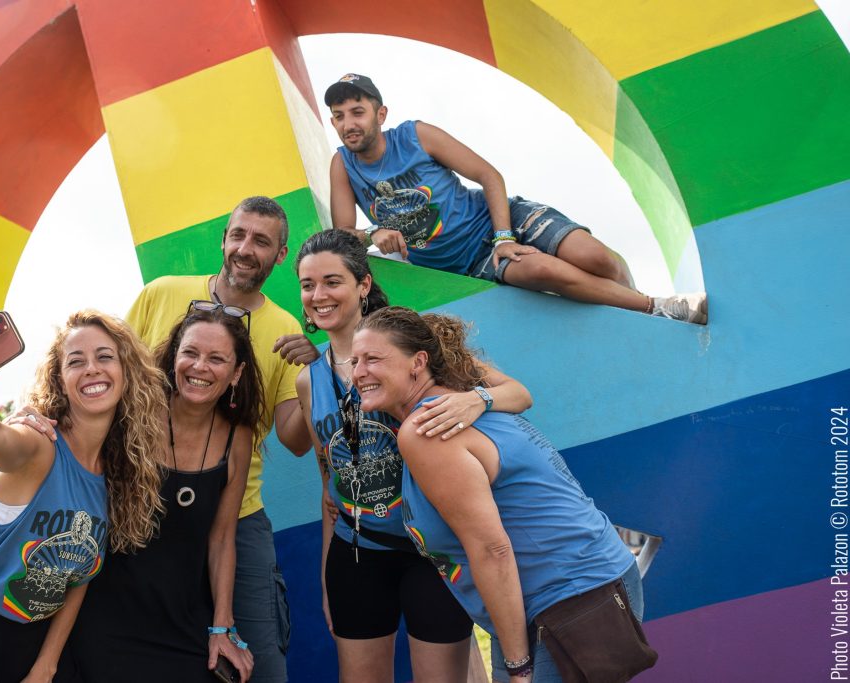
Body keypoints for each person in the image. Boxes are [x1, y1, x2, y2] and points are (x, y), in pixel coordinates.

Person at [350, 307, 648, 683]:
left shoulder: (427, 429)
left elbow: (492, 550)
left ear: (418, 362)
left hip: (568, 600)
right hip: (596, 580)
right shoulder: (461, 402)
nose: (358, 372)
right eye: (355, 361)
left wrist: (518, 667)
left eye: (373, 359)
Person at [294, 229, 533, 682]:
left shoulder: (411, 341)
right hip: (358, 553)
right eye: (308, 285)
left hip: (432, 552)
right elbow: (329, 484)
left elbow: (518, 394)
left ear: (363, 284)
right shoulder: (310, 381)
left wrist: (474, 400)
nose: (319, 296)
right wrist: (331, 574)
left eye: (332, 281)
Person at [0, 311, 168, 683]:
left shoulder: (115, 476)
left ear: (127, 372)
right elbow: (0, 442)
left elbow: (76, 577)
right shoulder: (40, 444)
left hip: (27, 648)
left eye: (105, 356)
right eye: (76, 361)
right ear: (60, 378)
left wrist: (46, 665)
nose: (91, 368)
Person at [325, 72, 707, 324]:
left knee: (597, 259)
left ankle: (639, 306)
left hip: (500, 219)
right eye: (339, 116)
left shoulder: (416, 135)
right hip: (469, 262)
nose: (349, 124)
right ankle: (657, 308)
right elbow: (344, 236)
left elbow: (488, 175)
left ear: (380, 114)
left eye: (357, 112)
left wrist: (504, 236)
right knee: (543, 270)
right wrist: (374, 231)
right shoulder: (343, 165)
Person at [126, 196, 313, 682]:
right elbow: (111, 382)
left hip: (237, 516)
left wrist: (319, 378)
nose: (246, 249)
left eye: (262, 241)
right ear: (225, 239)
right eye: (239, 235)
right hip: (142, 503)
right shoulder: (160, 295)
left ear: (281, 255)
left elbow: (295, 440)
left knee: (261, 665)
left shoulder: (284, 329)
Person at [59, 304, 260, 682]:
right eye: (191, 353)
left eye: (216, 359)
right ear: (174, 357)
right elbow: (67, 421)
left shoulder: (238, 437)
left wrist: (222, 628)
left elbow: (221, 539)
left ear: (236, 373)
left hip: (182, 620)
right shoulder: (131, 412)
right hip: (102, 615)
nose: (199, 367)